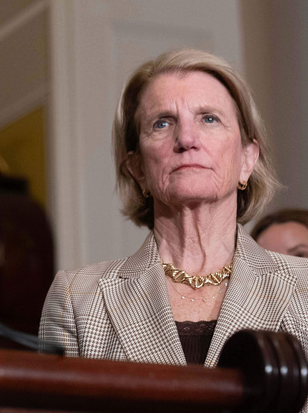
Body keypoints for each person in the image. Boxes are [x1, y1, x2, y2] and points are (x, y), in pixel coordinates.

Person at [40, 49, 308, 370]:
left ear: (247, 159)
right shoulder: (78, 299)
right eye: (162, 123)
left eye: (209, 119)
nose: (186, 139)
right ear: (137, 168)